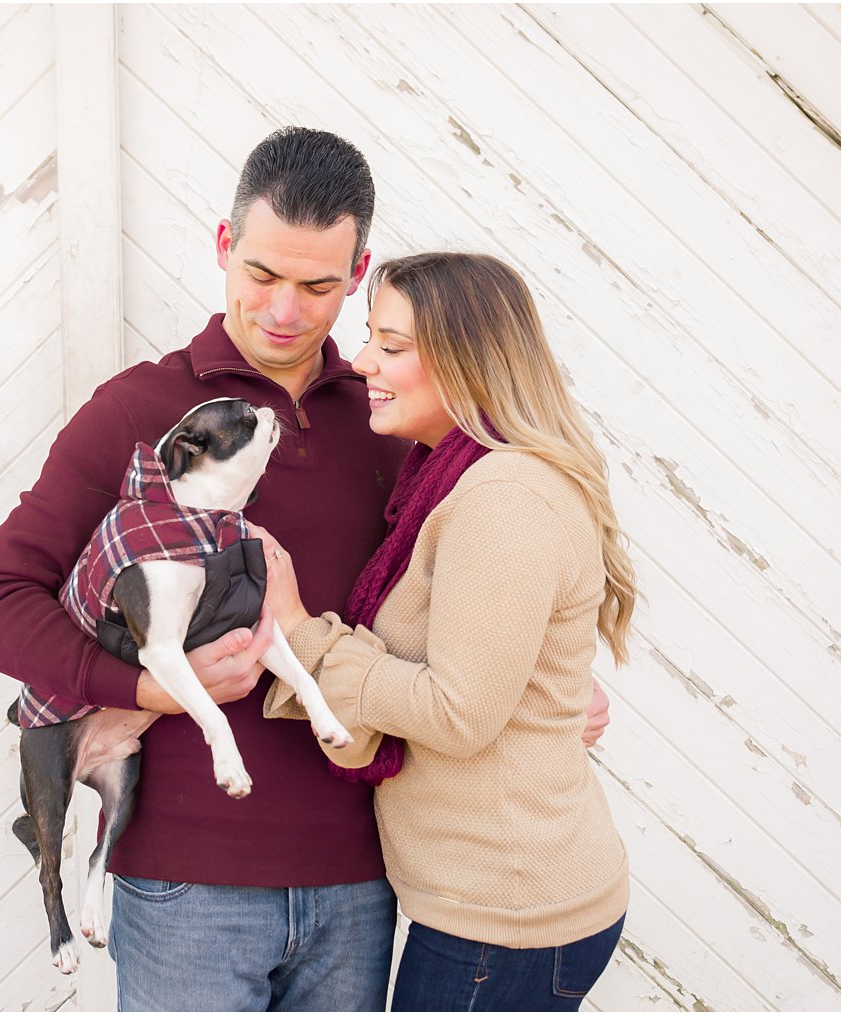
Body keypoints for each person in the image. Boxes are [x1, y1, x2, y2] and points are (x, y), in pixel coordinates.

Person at [0, 128, 611, 1011]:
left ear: (359, 269)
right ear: (224, 246)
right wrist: (136, 688)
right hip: (188, 888)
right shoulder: (139, 411)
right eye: (261, 274)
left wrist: (547, 682)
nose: (286, 312)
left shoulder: (392, 419)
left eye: (318, 285)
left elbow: (481, 586)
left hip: (364, 883)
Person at [256, 251, 636, 1012]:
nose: (362, 360)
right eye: (372, 337)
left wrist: (299, 628)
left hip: (508, 915)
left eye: (391, 346)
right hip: (493, 904)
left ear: (467, 360)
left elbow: (459, 713)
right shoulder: (449, 479)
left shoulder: (503, 497)